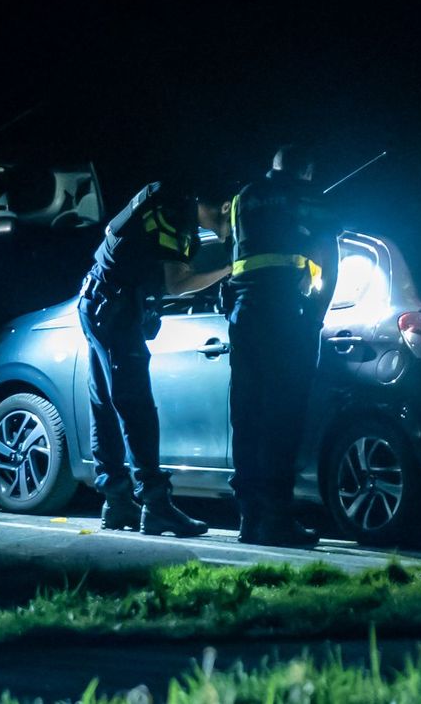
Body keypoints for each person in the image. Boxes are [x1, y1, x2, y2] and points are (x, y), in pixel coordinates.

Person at [79, 179, 233, 536]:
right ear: (225, 207)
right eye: (231, 220)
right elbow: (177, 283)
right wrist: (229, 269)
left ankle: (117, 502)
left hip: (98, 300)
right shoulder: (175, 214)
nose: (228, 231)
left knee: (105, 403)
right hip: (113, 308)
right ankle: (156, 505)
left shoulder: (163, 197)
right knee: (137, 408)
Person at [227, 145, 339, 546]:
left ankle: (249, 516)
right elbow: (328, 258)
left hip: (244, 314)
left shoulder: (245, 196)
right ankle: (277, 518)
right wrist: (315, 316)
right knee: (282, 417)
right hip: (284, 317)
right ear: (306, 168)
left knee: (248, 416)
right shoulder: (310, 197)